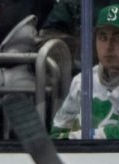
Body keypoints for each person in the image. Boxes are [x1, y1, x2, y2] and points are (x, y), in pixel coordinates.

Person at [50, 4, 119, 140]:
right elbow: (55, 136)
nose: (108, 46)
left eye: (117, 38)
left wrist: (83, 136)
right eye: (103, 37)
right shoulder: (82, 82)